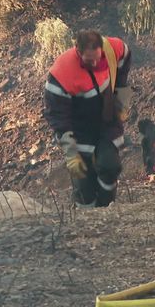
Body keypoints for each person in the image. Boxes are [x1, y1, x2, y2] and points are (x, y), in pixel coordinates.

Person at [44, 30, 132, 207]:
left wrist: (122, 99)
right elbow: (57, 116)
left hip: (107, 125)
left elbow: (124, 61)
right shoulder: (62, 73)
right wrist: (70, 152)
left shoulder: (113, 48)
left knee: (110, 167)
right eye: (88, 60)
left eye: (97, 58)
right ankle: (86, 217)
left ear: (102, 49)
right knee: (85, 186)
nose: (94, 63)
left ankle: (106, 208)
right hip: (79, 132)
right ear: (77, 51)